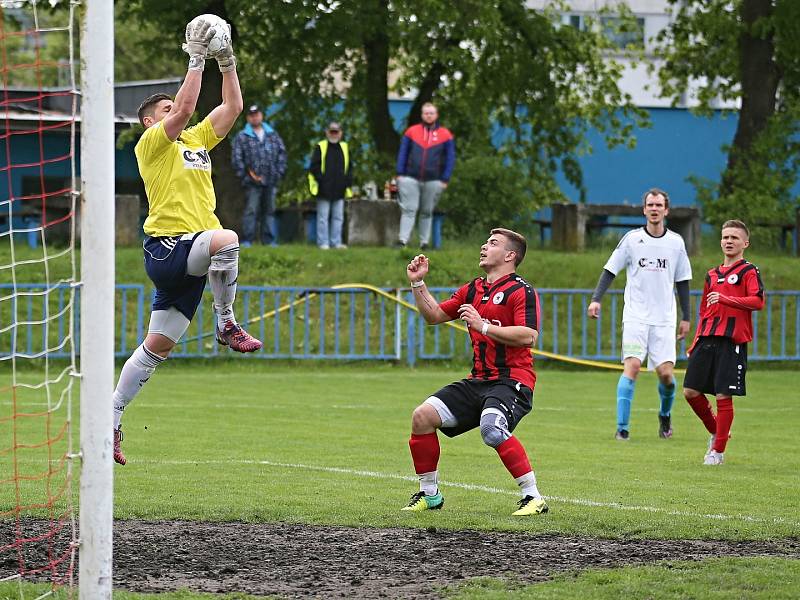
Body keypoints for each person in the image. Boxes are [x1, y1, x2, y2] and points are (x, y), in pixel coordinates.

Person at [111, 18, 262, 466]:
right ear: (147, 121)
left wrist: (226, 60)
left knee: (157, 346)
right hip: (169, 246)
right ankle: (225, 322)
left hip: (191, 255)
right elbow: (183, 106)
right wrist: (195, 58)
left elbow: (232, 107)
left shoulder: (195, 140)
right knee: (228, 239)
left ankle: (111, 416)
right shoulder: (151, 144)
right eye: (164, 108)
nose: (174, 110)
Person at [402, 228, 548, 516]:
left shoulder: (522, 290)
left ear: (510, 255)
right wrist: (418, 284)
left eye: (492, 243)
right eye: (485, 242)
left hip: (512, 379)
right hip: (478, 380)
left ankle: (533, 498)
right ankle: (429, 494)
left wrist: (483, 326)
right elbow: (434, 316)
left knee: (492, 428)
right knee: (422, 417)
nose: (483, 246)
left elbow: (529, 336)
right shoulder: (473, 289)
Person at [587, 188, 692, 441]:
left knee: (666, 375)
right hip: (635, 316)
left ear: (666, 210)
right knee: (632, 366)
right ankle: (622, 429)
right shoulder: (632, 240)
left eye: (659, 205)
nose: (654, 209)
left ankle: (665, 416)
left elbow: (683, 281)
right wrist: (595, 300)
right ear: (644, 209)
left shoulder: (676, 243)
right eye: (650, 205)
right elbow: (610, 270)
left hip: (664, 320)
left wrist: (686, 317)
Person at [683, 220, 764, 466]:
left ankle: (717, 452)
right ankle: (717, 432)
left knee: (722, 395)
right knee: (690, 391)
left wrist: (728, 299)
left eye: (735, 238)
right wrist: (695, 340)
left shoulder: (749, 271)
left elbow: (757, 301)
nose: (729, 241)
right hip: (706, 338)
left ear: (745, 244)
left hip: (731, 341)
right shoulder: (711, 275)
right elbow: (704, 311)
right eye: (725, 237)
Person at [395, 102, 455, 249]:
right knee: (409, 209)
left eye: (431, 113)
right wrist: (400, 174)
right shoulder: (411, 132)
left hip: (434, 179)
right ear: (422, 115)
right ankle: (403, 241)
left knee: (427, 211)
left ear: (436, 115)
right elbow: (403, 153)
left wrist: (445, 178)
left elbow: (450, 158)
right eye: (426, 113)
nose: (428, 115)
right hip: (410, 177)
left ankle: (424, 242)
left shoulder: (445, 135)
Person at [232, 104, 287, 247]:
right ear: (248, 118)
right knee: (251, 211)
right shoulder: (242, 136)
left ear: (261, 116)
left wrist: (278, 174)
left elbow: (282, 154)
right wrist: (245, 177)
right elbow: (237, 159)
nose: (255, 117)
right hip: (251, 182)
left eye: (257, 114)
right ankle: (248, 240)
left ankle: (268, 241)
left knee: (269, 211)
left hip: (271, 180)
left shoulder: (272, 135)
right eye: (251, 115)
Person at [307, 121, 352, 249]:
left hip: (340, 189)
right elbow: (314, 167)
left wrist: (347, 182)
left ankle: (336, 242)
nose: (334, 134)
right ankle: (323, 243)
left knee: (338, 217)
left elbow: (350, 168)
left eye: (336, 132)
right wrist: (322, 181)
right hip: (323, 189)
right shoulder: (320, 147)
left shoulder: (345, 147)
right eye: (331, 131)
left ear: (340, 133)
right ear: (327, 132)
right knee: (323, 217)